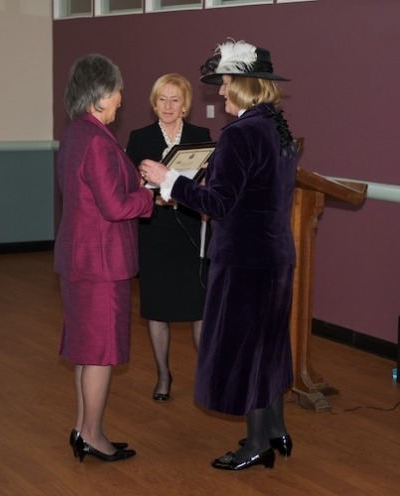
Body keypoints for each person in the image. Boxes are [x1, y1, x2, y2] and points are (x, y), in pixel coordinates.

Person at [139, 40, 297, 471]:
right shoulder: (277, 127)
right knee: (268, 347)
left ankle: (256, 445)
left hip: (246, 262)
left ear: (244, 86)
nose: (221, 93)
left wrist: (168, 178)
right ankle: (277, 430)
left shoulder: (242, 134)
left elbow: (220, 205)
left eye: (226, 84)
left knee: (247, 351)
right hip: (277, 257)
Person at [54, 54, 154, 463]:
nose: (120, 99)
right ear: (99, 95)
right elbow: (113, 206)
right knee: (100, 354)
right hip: (100, 263)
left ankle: (82, 428)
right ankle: (93, 435)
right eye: (116, 91)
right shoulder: (97, 140)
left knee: (86, 349)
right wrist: (148, 195)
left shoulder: (76, 132)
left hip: (80, 258)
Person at [126, 73, 211, 402]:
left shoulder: (200, 136)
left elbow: (208, 181)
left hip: (190, 229)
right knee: (157, 308)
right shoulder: (140, 137)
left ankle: (206, 375)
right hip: (155, 229)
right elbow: (133, 184)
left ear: (186, 105)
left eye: (175, 99)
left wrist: (196, 192)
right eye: (162, 99)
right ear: (154, 103)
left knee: (199, 308)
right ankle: (163, 374)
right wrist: (155, 196)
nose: (168, 105)